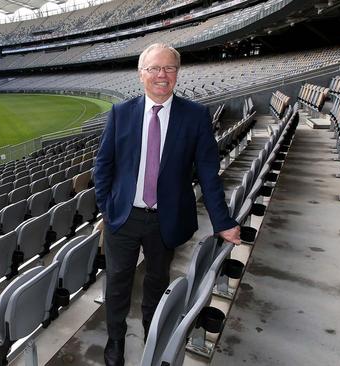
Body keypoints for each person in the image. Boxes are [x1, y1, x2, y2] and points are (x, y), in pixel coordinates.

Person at [94, 43, 241, 366]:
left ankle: (152, 332)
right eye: (154, 69)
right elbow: (103, 166)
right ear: (141, 75)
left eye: (169, 68)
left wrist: (223, 221)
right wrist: (107, 207)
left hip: (167, 219)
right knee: (117, 283)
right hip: (123, 216)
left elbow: (208, 173)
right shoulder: (121, 113)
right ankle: (115, 340)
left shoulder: (196, 115)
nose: (162, 75)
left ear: (177, 74)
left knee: (157, 281)